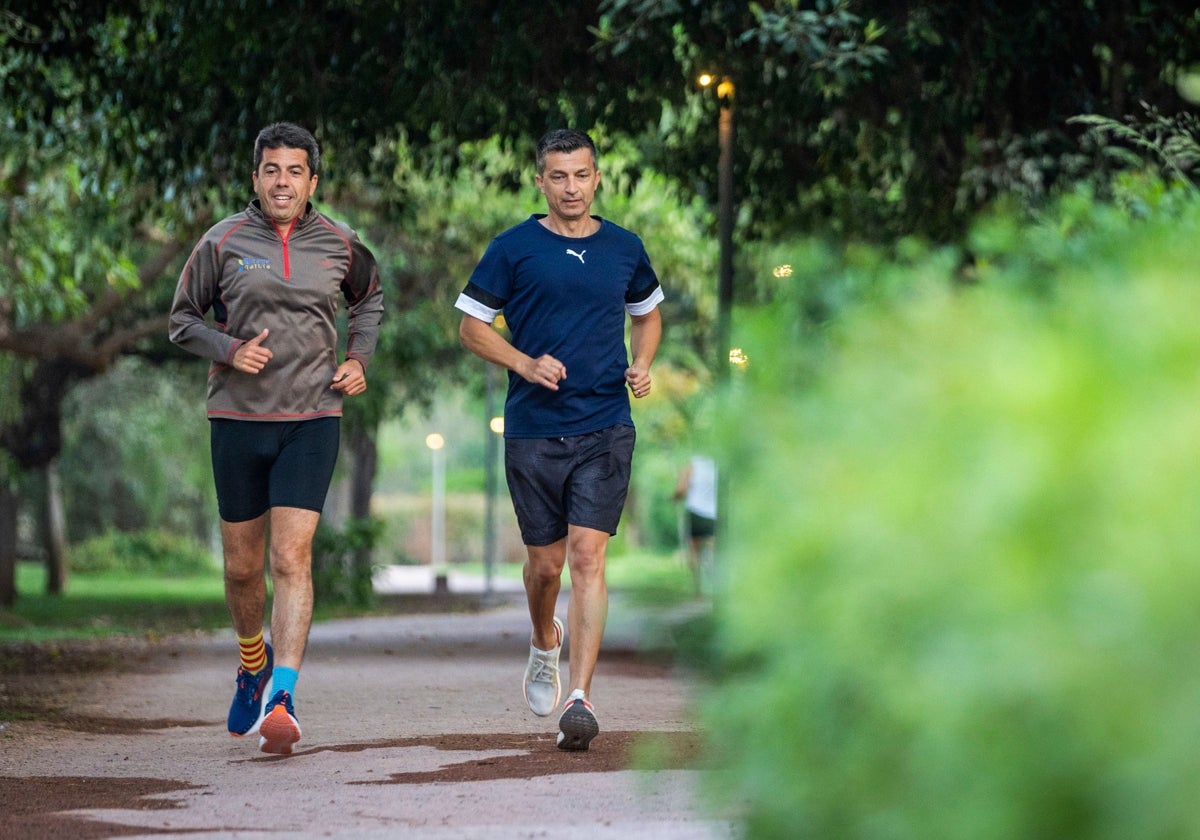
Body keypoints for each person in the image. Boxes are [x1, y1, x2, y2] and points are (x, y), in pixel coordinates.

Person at [168, 122, 384, 755]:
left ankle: (282, 694)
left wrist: (359, 358)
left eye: (294, 171)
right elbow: (181, 321)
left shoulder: (341, 243)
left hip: (313, 418)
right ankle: (251, 662)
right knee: (241, 569)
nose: (282, 181)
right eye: (271, 170)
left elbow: (368, 300)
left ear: (312, 181)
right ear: (255, 177)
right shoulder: (222, 241)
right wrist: (231, 350)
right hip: (237, 421)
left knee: (291, 559)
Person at [455, 128, 663, 751]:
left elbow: (647, 312)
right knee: (544, 566)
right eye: (559, 176)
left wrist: (643, 361)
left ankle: (581, 696)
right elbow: (470, 327)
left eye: (582, 175)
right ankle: (544, 639)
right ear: (540, 181)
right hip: (534, 430)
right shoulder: (512, 248)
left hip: (605, 424)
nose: (571, 188)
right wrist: (522, 363)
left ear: (598, 178)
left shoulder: (625, 247)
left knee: (587, 558)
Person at [673, 454, 717, 597]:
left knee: (695, 552)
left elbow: (681, 489)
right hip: (713, 513)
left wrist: (675, 497)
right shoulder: (716, 464)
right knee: (713, 549)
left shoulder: (691, 464)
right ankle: (715, 583)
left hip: (696, 512)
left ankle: (698, 589)